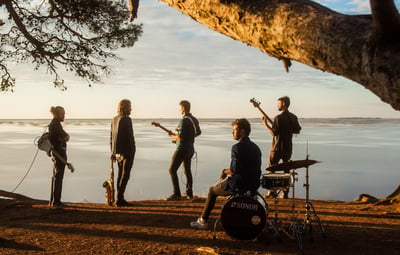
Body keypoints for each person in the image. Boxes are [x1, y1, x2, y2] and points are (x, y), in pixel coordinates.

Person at [190, 118, 261, 230]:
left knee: (212, 191)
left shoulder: (237, 147)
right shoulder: (256, 148)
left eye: (235, 130)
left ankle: (203, 221)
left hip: (239, 185)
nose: (232, 132)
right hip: (253, 185)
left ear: (242, 131)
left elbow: (234, 169)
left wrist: (224, 171)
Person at [262, 96, 301, 198]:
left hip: (276, 148)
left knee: (271, 169)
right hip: (288, 148)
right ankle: (285, 193)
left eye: (278, 103)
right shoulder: (293, 117)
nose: (277, 105)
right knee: (286, 170)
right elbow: (297, 130)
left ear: (283, 103)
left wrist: (265, 124)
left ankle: (271, 191)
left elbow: (274, 133)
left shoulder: (278, 118)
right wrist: (288, 130)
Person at [166, 100, 201, 201]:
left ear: (184, 108)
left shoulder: (183, 120)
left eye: (180, 107)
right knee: (187, 171)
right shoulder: (194, 119)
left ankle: (176, 194)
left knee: (172, 170)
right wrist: (189, 138)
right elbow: (198, 132)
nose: (179, 109)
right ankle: (189, 194)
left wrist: (172, 135)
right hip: (190, 149)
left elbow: (180, 137)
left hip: (182, 149)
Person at [110, 99, 136, 207]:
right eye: (130, 107)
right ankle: (120, 198)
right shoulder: (127, 119)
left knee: (120, 174)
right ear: (124, 107)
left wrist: (112, 152)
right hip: (127, 150)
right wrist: (133, 149)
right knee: (125, 175)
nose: (131, 109)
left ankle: (119, 198)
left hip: (117, 151)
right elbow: (130, 137)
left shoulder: (114, 119)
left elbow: (111, 137)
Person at [48, 106, 70, 208]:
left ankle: (53, 200)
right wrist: (66, 136)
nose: (64, 115)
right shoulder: (55, 125)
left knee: (56, 176)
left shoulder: (54, 124)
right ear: (57, 114)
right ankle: (56, 202)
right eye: (62, 114)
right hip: (59, 152)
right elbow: (64, 137)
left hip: (56, 152)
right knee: (58, 177)